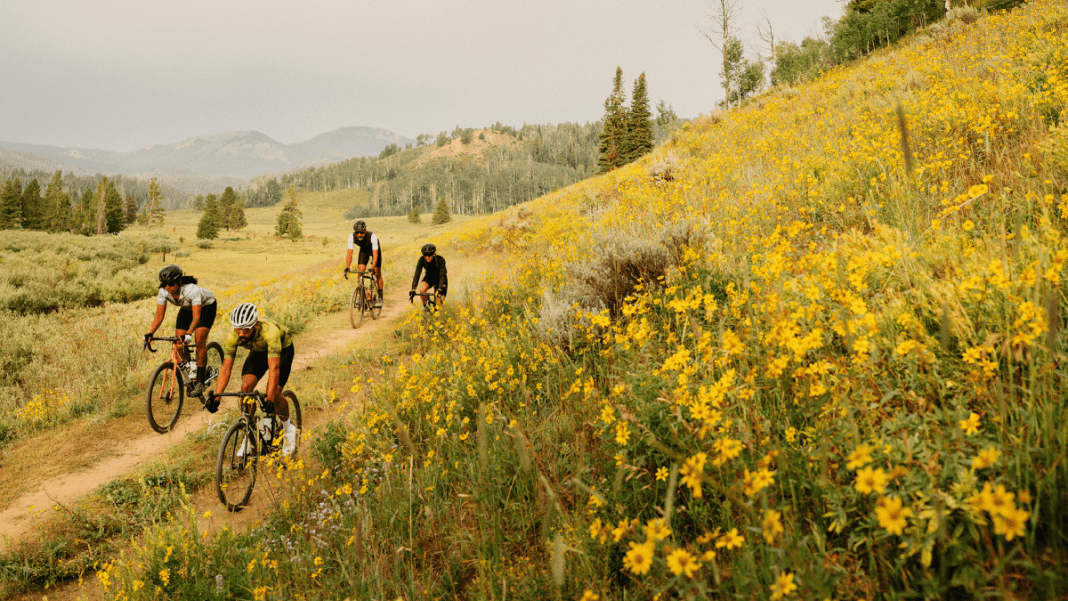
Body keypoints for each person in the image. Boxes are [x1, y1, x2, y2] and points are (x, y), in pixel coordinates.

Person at [206, 302, 298, 456]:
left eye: (245, 330)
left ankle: (289, 429)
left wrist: (269, 398)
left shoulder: (270, 332)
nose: (240, 334)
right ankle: (249, 434)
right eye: (238, 329)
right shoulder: (233, 336)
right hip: (258, 351)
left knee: (274, 395)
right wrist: (217, 397)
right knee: (246, 388)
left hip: (282, 350)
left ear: (255, 326)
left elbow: (274, 368)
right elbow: (226, 368)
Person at [144, 264, 218, 397]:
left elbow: (196, 317)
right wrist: (151, 333)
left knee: (199, 339)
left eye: (171, 284)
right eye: (164, 284)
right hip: (187, 308)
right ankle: (191, 371)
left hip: (206, 307)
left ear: (179, 281)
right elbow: (159, 316)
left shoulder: (192, 290)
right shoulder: (164, 291)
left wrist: (189, 333)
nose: (167, 288)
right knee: (179, 343)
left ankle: (200, 381)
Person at [344, 220, 384, 307]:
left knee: (377, 273)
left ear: (365, 231)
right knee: (360, 272)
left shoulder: (373, 237)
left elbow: (375, 254)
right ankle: (361, 297)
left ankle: (380, 297)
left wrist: (373, 267)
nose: (359, 235)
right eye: (357, 233)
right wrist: (347, 267)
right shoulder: (351, 237)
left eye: (361, 233)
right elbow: (349, 253)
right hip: (364, 251)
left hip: (375, 252)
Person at [409, 243, 448, 308]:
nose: (427, 257)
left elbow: (442, 275)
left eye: (429, 255)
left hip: (440, 279)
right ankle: (426, 307)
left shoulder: (440, 260)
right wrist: (413, 289)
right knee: (422, 290)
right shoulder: (422, 260)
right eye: (425, 255)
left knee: (439, 304)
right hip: (429, 277)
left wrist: (440, 288)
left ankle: (440, 314)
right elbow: (417, 274)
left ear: (434, 253)